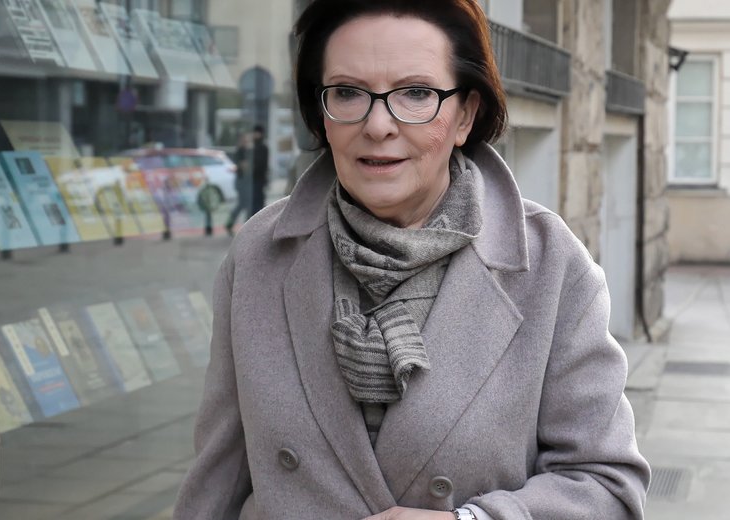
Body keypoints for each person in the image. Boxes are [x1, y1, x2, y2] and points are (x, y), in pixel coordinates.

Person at [174, 1, 650, 519]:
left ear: (465, 114)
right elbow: (215, 483)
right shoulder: (260, 254)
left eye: (416, 93)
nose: (378, 124)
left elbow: (609, 487)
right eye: (348, 92)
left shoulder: (551, 265)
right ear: (321, 114)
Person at [226, 132, 254, 235]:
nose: (246, 142)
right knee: (244, 204)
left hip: (244, 181)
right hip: (242, 182)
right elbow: (244, 166)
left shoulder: (246, 151)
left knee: (244, 204)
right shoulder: (240, 152)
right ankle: (235, 225)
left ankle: (233, 224)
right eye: (244, 140)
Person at [249, 125, 270, 213]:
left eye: (256, 133)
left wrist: (251, 167)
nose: (254, 135)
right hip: (253, 178)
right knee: (255, 201)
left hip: (259, 178)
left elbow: (262, 164)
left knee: (258, 201)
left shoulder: (263, 147)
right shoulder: (253, 146)